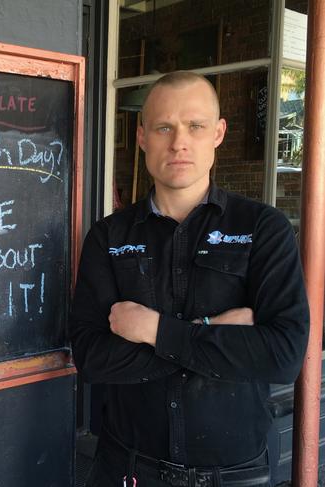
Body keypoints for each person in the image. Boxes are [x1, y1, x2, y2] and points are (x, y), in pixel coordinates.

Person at [70, 71, 309, 487]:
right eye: (164, 127)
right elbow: (92, 357)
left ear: (218, 133)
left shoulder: (262, 229)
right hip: (127, 468)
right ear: (142, 136)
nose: (179, 142)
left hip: (236, 474)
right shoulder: (109, 236)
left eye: (195, 126)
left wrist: (156, 331)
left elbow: (284, 356)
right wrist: (213, 331)